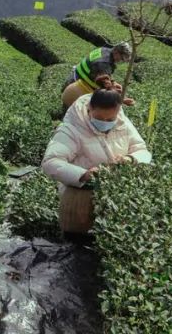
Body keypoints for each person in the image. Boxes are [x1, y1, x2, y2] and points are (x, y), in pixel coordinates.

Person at [42, 89, 151, 234]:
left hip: (119, 197)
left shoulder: (122, 124)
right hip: (82, 200)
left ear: (118, 112)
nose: (105, 123)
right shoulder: (71, 129)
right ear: (89, 108)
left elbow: (142, 150)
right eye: (99, 118)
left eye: (110, 119)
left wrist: (129, 159)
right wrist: (83, 174)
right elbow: (50, 162)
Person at [61, 42, 134, 110]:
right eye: (122, 58)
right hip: (76, 88)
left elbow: (103, 74)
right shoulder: (104, 64)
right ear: (116, 52)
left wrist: (113, 82)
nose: (120, 61)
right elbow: (105, 84)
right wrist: (121, 99)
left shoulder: (104, 50)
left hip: (75, 78)